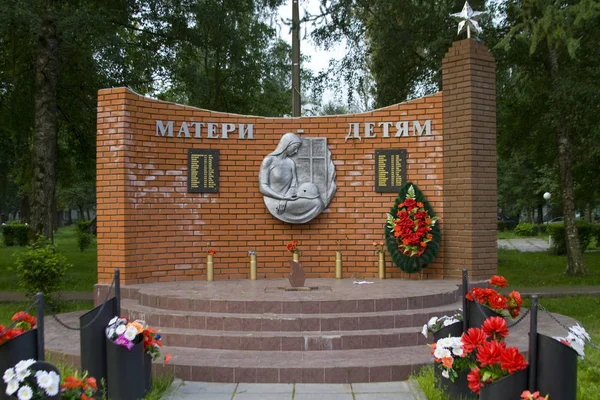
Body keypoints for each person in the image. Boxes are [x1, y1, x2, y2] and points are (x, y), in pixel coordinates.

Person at [259, 133, 324, 224]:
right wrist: (282, 198)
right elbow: (263, 187)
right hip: (274, 201)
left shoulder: (290, 163)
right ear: (286, 145)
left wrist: (286, 198)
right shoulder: (269, 160)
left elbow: (294, 185)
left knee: (317, 202)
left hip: (288, 199)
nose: (296, 151)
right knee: (317, 204)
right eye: (295, 147)